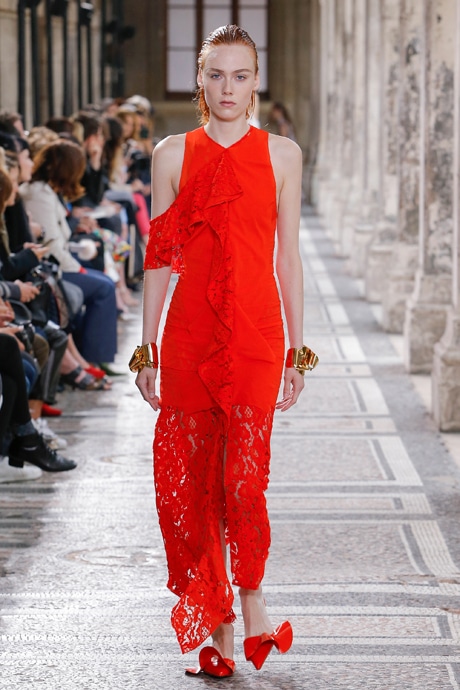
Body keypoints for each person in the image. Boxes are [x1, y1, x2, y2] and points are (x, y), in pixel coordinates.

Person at [133, 25, 314, 678]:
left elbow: (288, 257)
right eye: (216, 75)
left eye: (241, 75)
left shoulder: (283, 155)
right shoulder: (172, 153)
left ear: (256, 80)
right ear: (199, 80)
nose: (228, 88)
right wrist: (146, 349)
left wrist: (299, 349)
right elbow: (160, 259)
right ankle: (220, 630)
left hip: (258, 336)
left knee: (244, 480)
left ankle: (254, 599)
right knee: (196, 490)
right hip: (187, 338)